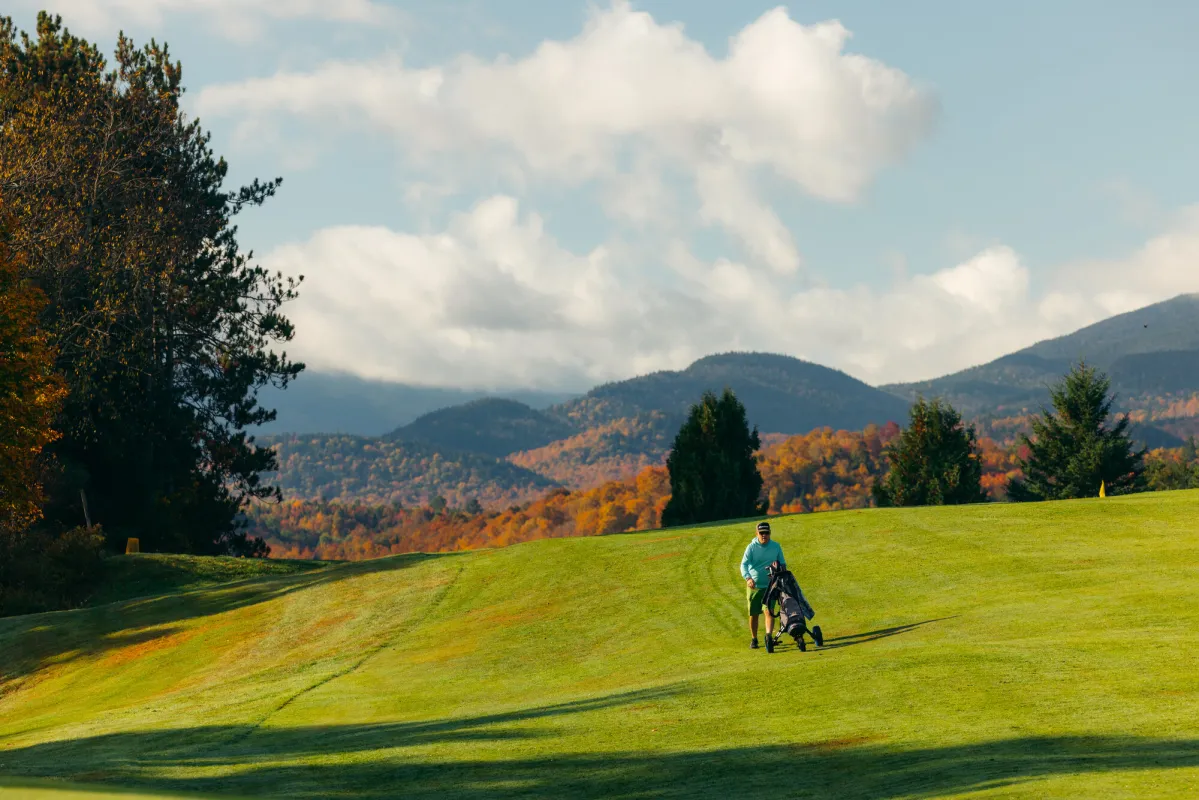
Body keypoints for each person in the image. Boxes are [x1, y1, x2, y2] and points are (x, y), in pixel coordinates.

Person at [740, 520, 785, 650]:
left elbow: (782, 563)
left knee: (769, 612)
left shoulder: (776, 547)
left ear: (770, 533)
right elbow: (743, 565)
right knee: (753, 614)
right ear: (757, 533)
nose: (764, 535)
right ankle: (754, 639)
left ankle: (768, 637)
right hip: (754, 587)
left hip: (771, 586)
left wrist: (780, 573)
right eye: (761, 533)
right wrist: (748, 578)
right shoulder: (751, 547)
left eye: (766, 533)